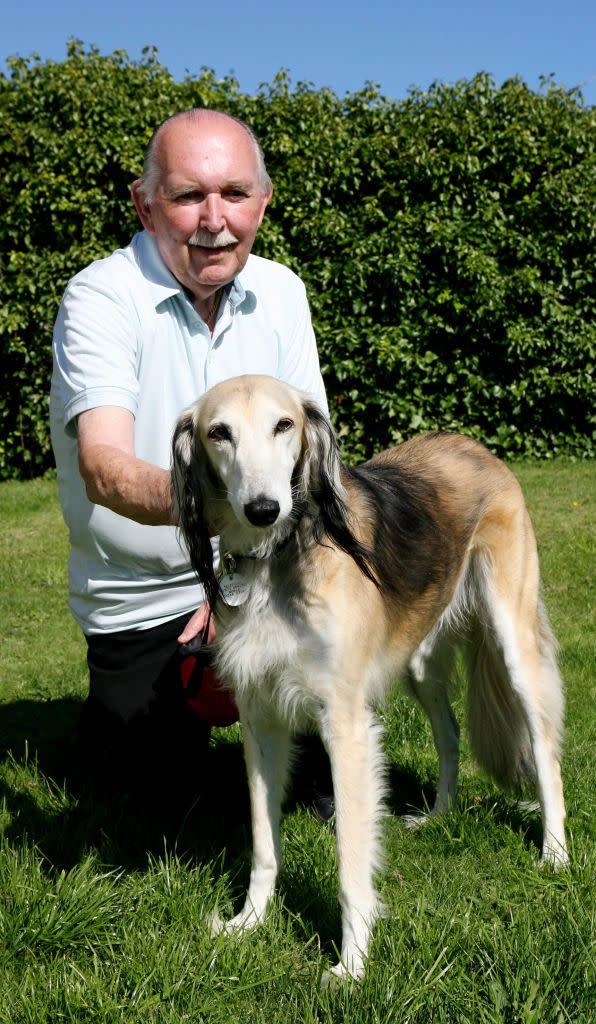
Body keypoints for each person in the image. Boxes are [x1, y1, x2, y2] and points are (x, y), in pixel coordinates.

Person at [50, 109, 331, 802]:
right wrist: (214, 551)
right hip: (142, 600)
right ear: (146, 208)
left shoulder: (284, 292)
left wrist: (237, 577)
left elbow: (311, 469)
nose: (215, 219)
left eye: (235, 194)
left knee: (324, 789)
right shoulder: (100, 297)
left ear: (263, 203)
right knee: (148, 808)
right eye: (187, 196)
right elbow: (106, 471)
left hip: (269, 573)